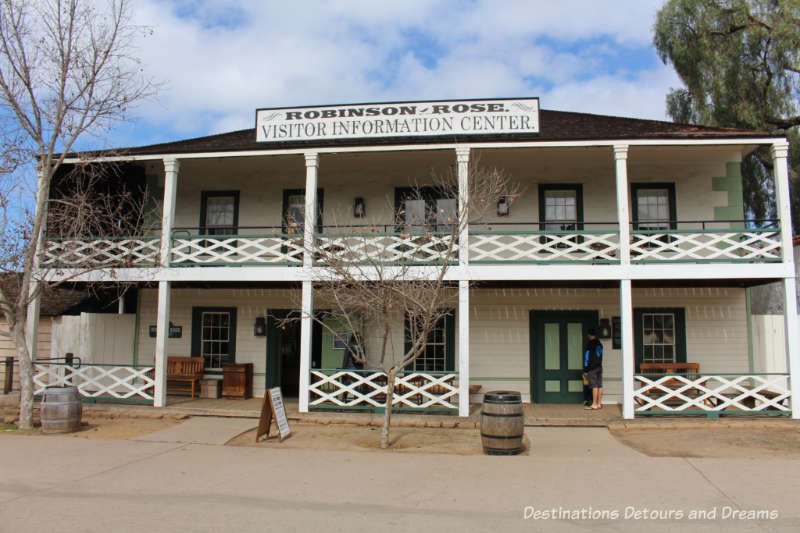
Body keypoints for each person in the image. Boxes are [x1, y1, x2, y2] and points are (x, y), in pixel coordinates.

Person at [583, 328, 603, 410]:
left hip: (592, 368)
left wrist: (586, 369)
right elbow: (599, 356)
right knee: (599, 385)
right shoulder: (599, 344)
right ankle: (599, 403)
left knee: (594, 386)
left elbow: (587, 357)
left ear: (589, 335)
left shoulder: (590, 344)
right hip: (599, 367)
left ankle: (594, 404)